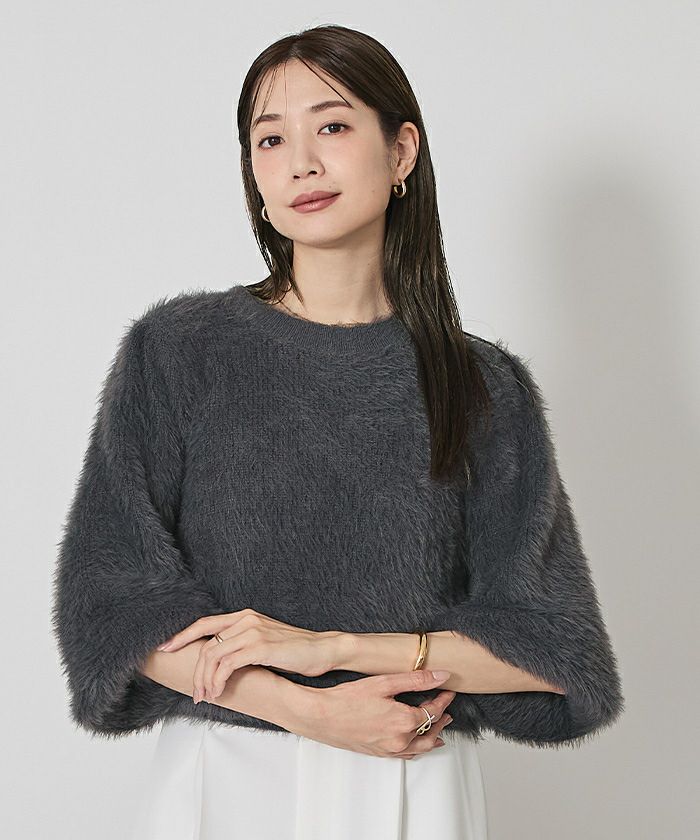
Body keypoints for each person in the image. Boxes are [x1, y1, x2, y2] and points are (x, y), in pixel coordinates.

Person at [51, 24, 624, 840]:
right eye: (270, 139)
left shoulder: (482, 386)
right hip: (226, 783)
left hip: (410, 781)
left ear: (401, 151)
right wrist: (304, 709)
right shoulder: (180, 351)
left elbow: (555, 652)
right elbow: (110, 608)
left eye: (332, 126)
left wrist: (335, 649)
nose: (301, 163)